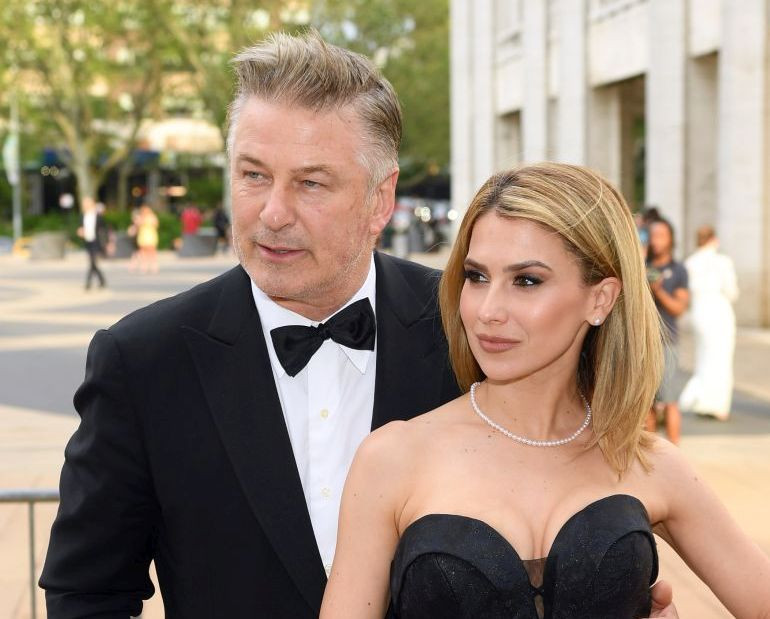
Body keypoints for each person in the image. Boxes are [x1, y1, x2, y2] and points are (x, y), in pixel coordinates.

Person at [39, 31, 460, 618]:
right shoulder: (142, 360)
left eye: (311, 183)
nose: (273, 213)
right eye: (254, 175)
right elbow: (86, 592)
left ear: (380, 200)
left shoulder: (467, 330)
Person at [321, 164, 770, 618]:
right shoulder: (393, 459)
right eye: (477, 276)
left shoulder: (648, 463)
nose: (488, 311)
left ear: (600, 299)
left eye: (527, 281)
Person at [679, 225, 739, 420]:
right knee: (721, 358)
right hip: (719, 311)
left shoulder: (690, 262)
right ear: (714, 240)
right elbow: (731, 291)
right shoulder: (723, 261)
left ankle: (701, 399)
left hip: (700, 312)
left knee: (703, 355)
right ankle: (717, 405)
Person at [645, 217, 689, 444]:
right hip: (644, 343)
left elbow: (679, 308)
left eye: (661, 235)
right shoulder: (642, 266)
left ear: (671, 238)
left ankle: (674, 454)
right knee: (646, 403)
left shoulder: (678, 270)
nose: (656, 240)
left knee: (670, 400)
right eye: (653, 235)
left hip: (667, 343)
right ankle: (650, 456)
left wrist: (658, 291)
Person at [78, 196, 107, 290]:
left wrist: (107, 243)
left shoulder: (98, 216)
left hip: (96, 241)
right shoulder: (83, 216)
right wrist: (81, 231)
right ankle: (101, 280)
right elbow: (81, 227)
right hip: (87, 241)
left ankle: (88, 283)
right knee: (92, 262)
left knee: (92, 261)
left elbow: (104, 230)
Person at [135, 204, 159, 273]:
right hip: (143, 235)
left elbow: (156, 225)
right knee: (143, 251)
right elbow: (137, 226)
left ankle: (153, 265)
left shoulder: (152, 217)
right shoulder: (140, 217)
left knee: (152, 251)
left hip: (150, 235)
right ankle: (144, 266)